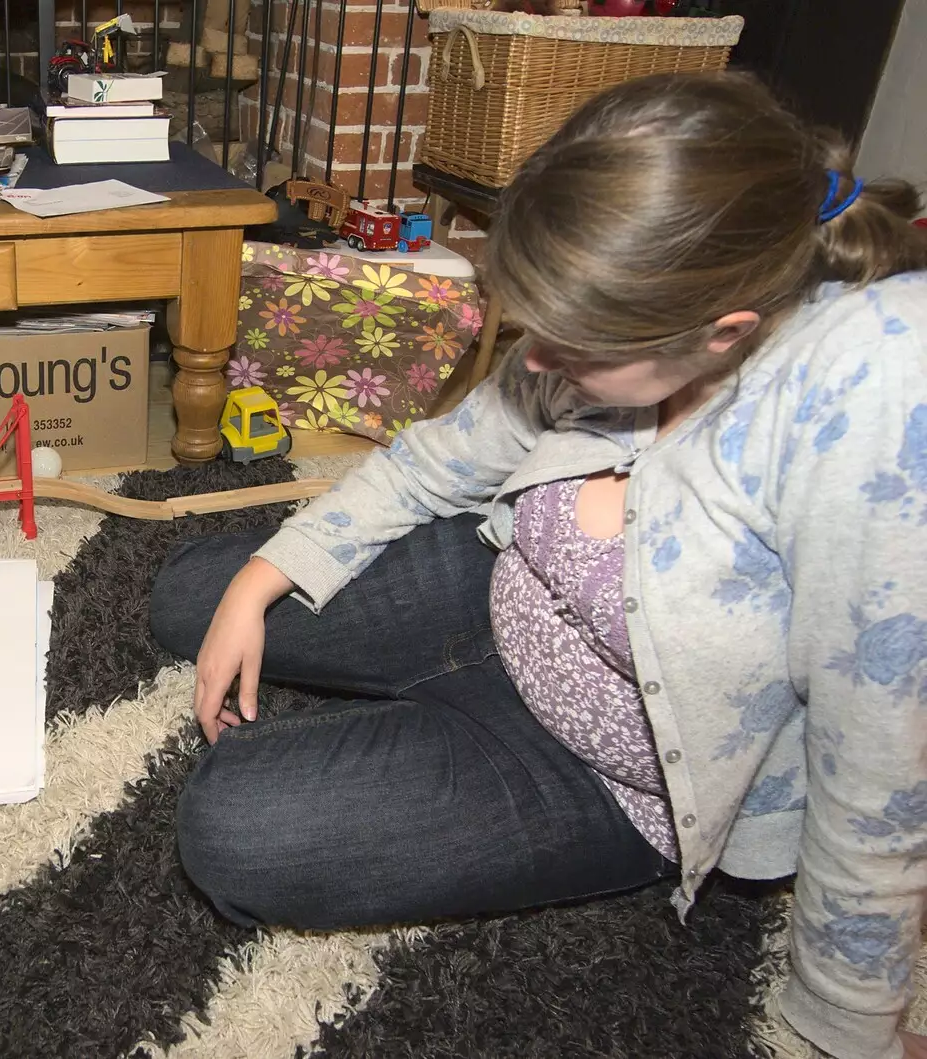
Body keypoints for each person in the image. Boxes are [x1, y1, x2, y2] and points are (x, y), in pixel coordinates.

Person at [150, 72, 927, 1059]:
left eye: (574, 352)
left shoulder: (857, 432)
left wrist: (850, 1026)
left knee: (235, 829)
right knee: (193, 594)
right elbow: (439, 460)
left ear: (720, 334)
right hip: (500, 599)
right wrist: (261, 585)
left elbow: (880, 759)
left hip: (616, 777)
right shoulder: (616, 326)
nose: (538, 367)